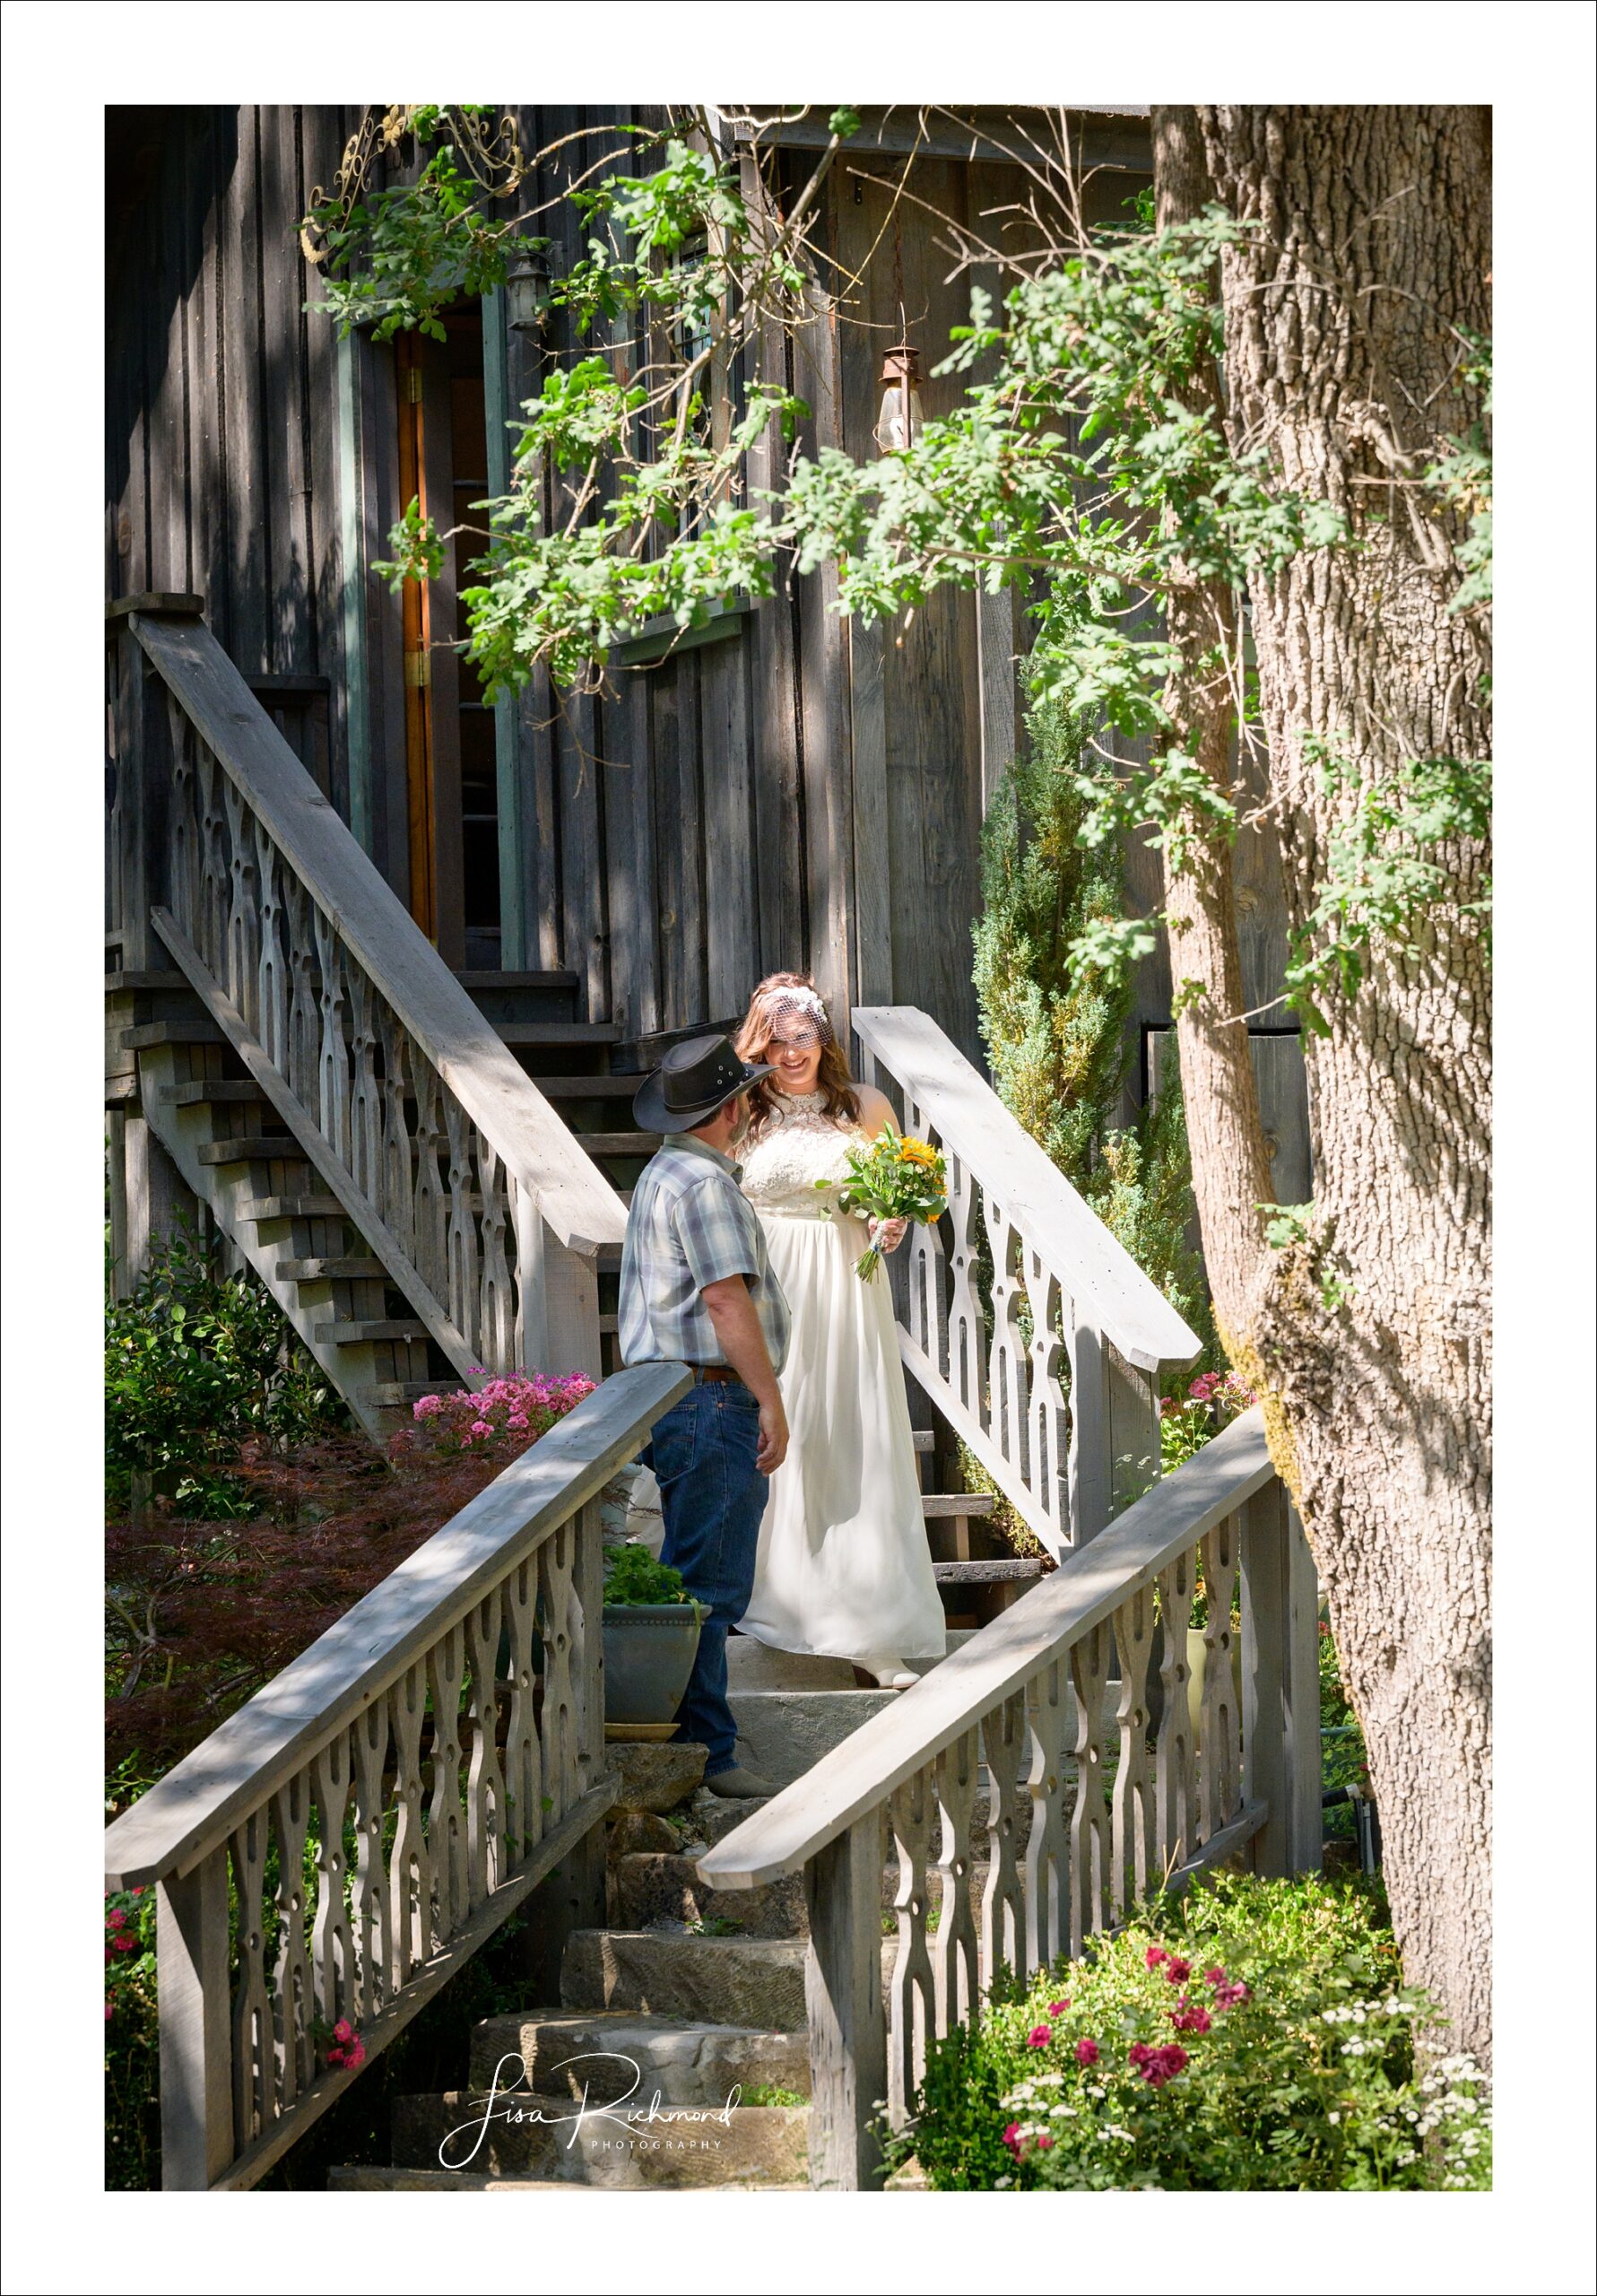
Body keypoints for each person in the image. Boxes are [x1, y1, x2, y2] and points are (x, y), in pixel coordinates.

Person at [733, 974, 947, 1689]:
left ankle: (867, 1625)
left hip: (845, 1274)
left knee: (848, 1431)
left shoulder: (866, 1106)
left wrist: (890, 1221)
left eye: (805, 1038)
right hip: (769, 1276)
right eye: (777, 1039)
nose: (792, 1053)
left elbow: (894, 1195)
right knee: (782, 1423)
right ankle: (771, 1594)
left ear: (825, 1041)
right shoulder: (742, 1111)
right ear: (758, 1045)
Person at [618, 1031, 792, 1798]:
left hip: (670, 1394)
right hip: (710, 1393)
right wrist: (769, 1399)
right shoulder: (704, 1186)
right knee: (710, 1585)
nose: (758, 1102)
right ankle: (708, 1757)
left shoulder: (663, 1172)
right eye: (750, 1093)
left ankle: (694, 1745)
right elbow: (725, 1298)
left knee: (692, 1574)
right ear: (733, 1107)